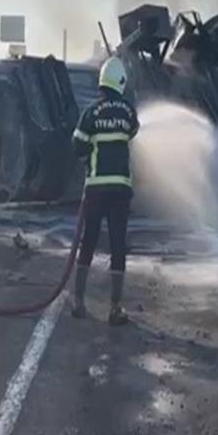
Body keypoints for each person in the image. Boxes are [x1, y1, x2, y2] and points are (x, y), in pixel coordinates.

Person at [71, 56, 140, 325]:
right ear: (120, 81)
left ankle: (78, 302)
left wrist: (89, 156)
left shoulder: (91, 111)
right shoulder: (128, 111)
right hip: (120, 188)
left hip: (96, 187)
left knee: (88, 240)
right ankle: (115, 308)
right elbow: (133, 131)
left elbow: (77, 145)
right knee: (117, 244)